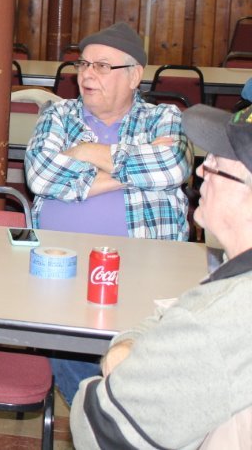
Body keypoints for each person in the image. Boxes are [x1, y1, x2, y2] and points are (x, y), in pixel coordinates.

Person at [25, 22, 194, 403]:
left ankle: (115, 411)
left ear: (134, 76)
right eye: (83, 64)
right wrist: (134, 173)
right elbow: (40, 174)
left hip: (145, 266)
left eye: (102, 66)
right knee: (62, 342)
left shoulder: (164, 118)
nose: (87, 75)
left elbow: (172, 166)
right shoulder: (58, 115)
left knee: (142, 353)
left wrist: (83, 153)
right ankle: (104, 412)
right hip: (59, 266)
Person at [70, 103, 252, 449]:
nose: (201, 170)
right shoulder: (234, 275)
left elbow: (97, 425)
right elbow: (185, 313)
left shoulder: (230, 316)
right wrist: (136, 342)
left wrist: (124, 358)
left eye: (217, 163)